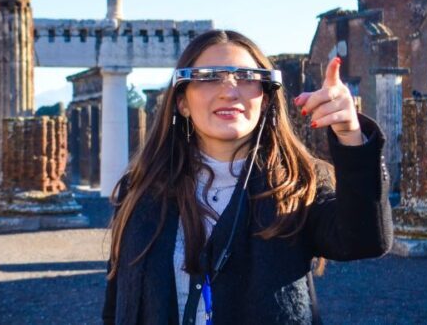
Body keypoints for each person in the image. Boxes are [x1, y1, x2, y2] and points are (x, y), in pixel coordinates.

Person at [102, 29, 393, 325]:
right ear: (182, 103)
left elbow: (366, 239)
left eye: (246, 77)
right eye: (209, 76)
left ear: (265, 100)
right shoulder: (140, 189)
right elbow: (117, 303)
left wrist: (350, 136)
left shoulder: (298, 183)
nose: (229, 91)